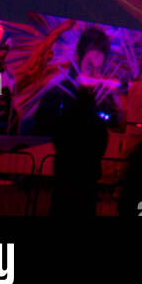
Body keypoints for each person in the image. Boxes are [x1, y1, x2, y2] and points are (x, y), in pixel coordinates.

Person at [49, 85, 109, 217]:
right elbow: (101, 147)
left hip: (66, 169)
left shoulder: (65, 119)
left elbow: (57, 141)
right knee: (84, 207)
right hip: (87, 172)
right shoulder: (97, 123)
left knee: (62, 206)